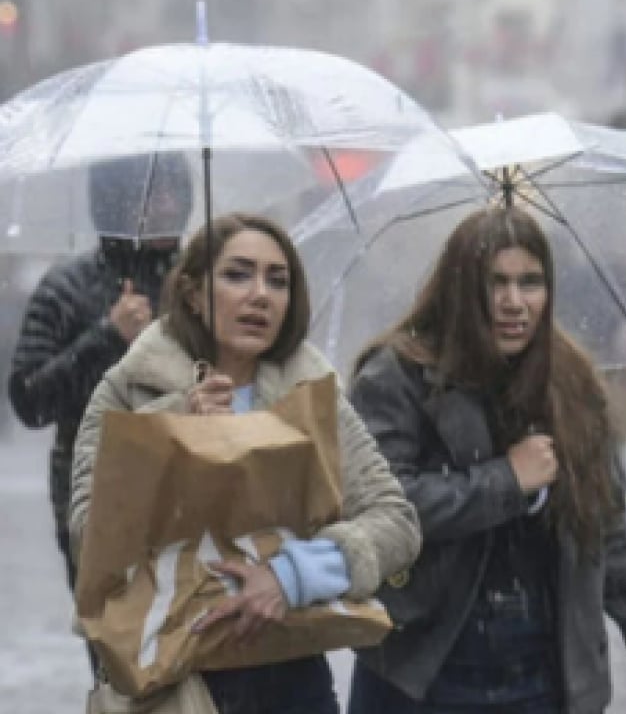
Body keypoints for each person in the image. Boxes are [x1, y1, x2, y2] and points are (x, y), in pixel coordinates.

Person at [345, 205, 626, 714]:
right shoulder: (397, 377)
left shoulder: (570, 382)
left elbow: (607, 531)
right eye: (496, 283)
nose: (515, 303)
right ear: (462, 288)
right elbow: (383, 509)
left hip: (541, 679)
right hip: (425, 674)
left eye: (530, 283)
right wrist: (505, 481)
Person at [68, 213, 421, 714]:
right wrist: (172, 432)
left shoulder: (312, 394)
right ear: (192, 292)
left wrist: (292, 575)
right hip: (168, 680)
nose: (261, 294)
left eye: (278, 280)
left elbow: (395, 521)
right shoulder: (128, 388)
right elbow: (89, 535)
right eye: (237, 274)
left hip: (288, 673)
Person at [8, 152, 193, 672]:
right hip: (96, 500)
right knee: (121, 662)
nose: (167, 207)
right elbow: (29, 399)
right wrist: (107, 337)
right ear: (116, 202)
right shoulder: (65, 289)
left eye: (175, 193)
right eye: (151, 195)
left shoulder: (202, 282)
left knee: (195, 659)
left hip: (192, 494)